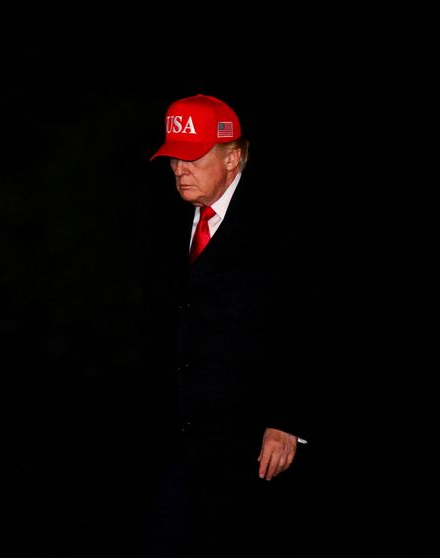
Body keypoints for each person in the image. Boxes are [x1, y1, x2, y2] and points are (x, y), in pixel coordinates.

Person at [140, 94, 320, 556]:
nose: (180, 168)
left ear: (233, 157)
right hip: (177, 445)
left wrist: (286, 418)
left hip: (251, 451)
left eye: (193, 156)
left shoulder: (280, 225)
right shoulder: (167, 221)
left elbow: (305, 323)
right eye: (172, 157)